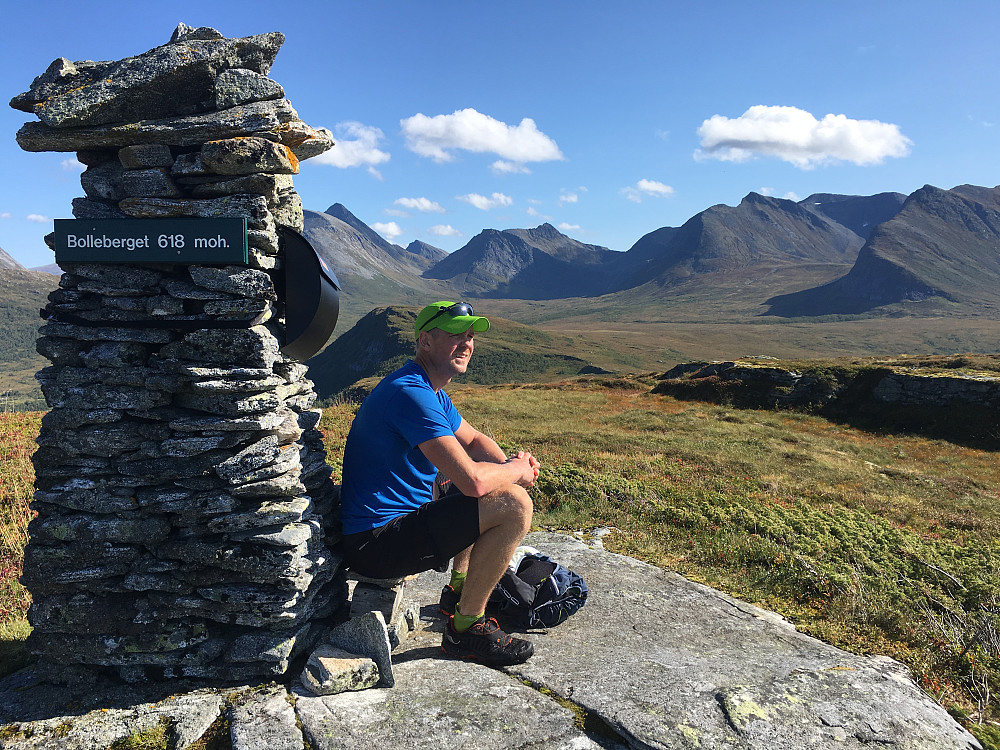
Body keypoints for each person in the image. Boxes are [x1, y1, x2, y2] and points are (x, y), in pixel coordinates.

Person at [339, 301, 541, 666]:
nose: (466, 343)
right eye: (455, 335)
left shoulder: (431, 391)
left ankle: (459, 591)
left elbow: (475, 440)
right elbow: (474, 483)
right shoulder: (410, 393)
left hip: (395, 525)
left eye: (469, 336)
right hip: (376, 544)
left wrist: (509, 465)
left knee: (494, 485)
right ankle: (466, 630)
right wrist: (516, 473)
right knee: (512, 504)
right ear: (425, 341)